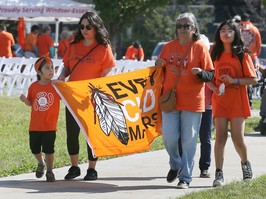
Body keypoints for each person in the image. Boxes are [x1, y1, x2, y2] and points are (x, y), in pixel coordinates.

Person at [155, 12, 214, 189]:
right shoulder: (168, 46)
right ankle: (175, 164)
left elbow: (210, 74)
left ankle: (185, 177)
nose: (182, 29)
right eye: (179, 26)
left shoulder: (200, 47)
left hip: (192, 101)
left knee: (189, 140)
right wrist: (159, 64)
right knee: (169, 137)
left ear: (194, 28)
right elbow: (160, 69)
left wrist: (200, 73)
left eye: (186, 26)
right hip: (170, 100)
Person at [57, 11, 115, 181]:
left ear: (96, 27)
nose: (84, 30)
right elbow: (66, 67)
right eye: (81, 26)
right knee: (72, 133)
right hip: (73, 96)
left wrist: (97, 88)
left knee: (91, 133)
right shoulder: (73, 44)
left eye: (88, 26)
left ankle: (92, 169)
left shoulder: (104, 47)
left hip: (93, 98)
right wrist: (62, 77)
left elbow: (106, 72)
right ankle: (74, 167)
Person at [210, 19, 257, 187]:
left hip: (238, 100)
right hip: (220, 100)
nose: (226, 33)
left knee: (238, 139)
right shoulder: (213, 52)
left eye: (230, 30)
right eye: (223, 30)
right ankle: (219, 174)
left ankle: (245, 163)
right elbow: (208, 76)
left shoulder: (242, 54)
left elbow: (253, 79)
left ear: (235, 33)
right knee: (220, 137)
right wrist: (213, 88)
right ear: (219, 33)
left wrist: (233, 80)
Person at [19, 56, 61, 182]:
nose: (51, 70)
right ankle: (40, 163)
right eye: (47, 68)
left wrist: (61, 84)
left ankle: (50, 171)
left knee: (49, 149)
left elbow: (67, 95)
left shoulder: (56, 86)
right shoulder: (33, 86)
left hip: (50, 125)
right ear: (39, 72)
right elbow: (31, 103)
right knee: (34, 148)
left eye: (52, 67)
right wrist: (24, 100)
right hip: (35, 125)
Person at [240, 13, 262, 109]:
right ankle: (249, 101)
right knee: (251, 80)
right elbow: (259, 45)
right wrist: (255, 55)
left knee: (241, 79)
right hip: (252, 58)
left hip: (240, 57)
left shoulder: (238, 28)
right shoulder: (255, 29)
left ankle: (243, 101)